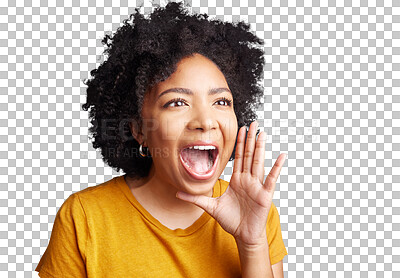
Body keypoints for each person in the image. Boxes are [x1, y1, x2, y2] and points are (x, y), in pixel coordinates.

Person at [35, 2, 288, 277]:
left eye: (221, 101)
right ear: (139, 129)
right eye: (177, 102)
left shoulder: (255, 210)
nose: (205, 121)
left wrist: (252, 244)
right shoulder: (85, 217)